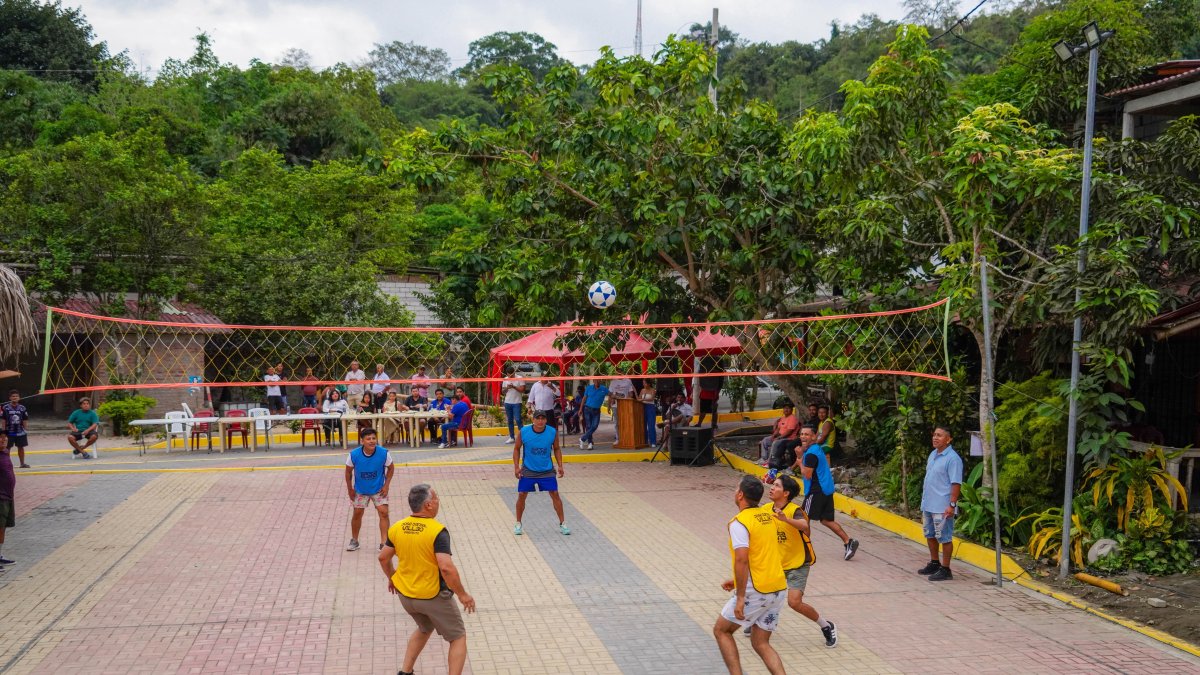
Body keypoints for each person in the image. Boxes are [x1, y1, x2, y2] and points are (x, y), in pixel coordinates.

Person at [379, 484, 475, 675]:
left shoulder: (398, 527)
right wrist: (463, 595)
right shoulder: (437, 531)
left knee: (424, 627)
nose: (439, 502)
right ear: (429, 505)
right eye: (437, 498)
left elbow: (383, 557)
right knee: (457, 637)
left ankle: (405, 672)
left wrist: (393, 578)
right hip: (433, 596)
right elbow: (446, 568)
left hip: (406, 596)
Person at [713, 475, 788, 675]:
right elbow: (762, 553)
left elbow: (742, 559)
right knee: (761, 642)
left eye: (736, 488)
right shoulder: (768, 517)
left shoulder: (740, 523)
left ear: (740, 495)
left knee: (722, 631)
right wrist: (737, 579)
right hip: (778, 588)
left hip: (756, 590)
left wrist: (740, 597)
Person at [765, 474, 837, 647]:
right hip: (777, 563)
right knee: (764, 595)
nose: (772, 488)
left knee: (794, 602)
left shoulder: (795, 510)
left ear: (786, 493)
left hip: (798, 563)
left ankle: (826, 626)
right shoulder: (766, 509)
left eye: (776, 486)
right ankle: (759, 624)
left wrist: (785, 520)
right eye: (772, 485)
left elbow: (805, 527)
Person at [792, 426, 860, 561]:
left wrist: (799, 459)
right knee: (826, 520)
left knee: (804, 519)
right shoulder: (816, 449)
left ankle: (805, 551)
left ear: (813, 437)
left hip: (816, 491)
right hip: (826, 489)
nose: (803, 436)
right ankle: (848, 542)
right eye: (802, 434)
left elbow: (807, 474)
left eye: (807, 434)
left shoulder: (811, 454)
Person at [512, 410, 569, 536]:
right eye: (538, 418)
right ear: (533, 419)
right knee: (522, 494)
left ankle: (563, 523)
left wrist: (560, 465)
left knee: (555, 493)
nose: (540, 421)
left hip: (547, 469)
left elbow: (557, 449)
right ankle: (518, 523)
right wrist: (516, 467)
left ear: (546, 420)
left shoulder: (552, 432)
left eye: (543, 418)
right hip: (528, 469)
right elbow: (516, 449)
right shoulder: (524, 432)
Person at [919, 427, 962, 582]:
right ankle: (934, 562)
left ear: (948, 439)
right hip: (929, 503)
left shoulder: (953, 458)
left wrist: (951, 504)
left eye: (939, 435)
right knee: (929, 534)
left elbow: (956, 483)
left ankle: (946, 569)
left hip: (942, 506)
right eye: (934, 435)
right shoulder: (933, 454)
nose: (935, 438)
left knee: (944, 537)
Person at [344, 428, 394, 552]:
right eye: (368, 439)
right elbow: (348, 472)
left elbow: (391, 468)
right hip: (360, 490)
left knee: (384, 512)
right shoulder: (353, 455)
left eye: (373, 438)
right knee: (357, 513)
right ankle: (354, 540)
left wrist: (386, 485)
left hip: (378, 489)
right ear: (362, 441)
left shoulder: (384, 453)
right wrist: (350, 489)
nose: (372, 441)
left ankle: (384, 542)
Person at [579, 379, 609, 451]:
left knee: (595, 426)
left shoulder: (604, 389)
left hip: (596, 410)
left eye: (599, 380)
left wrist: (617, 397)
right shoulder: (589, 388)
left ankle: (582, 439)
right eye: (596, 380)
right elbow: (584, 398)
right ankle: (590, 443)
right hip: (587, 409)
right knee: (589, 426)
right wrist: (580, 409)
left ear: (601, 381)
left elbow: (611, 394)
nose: (597, 382)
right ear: (593, 381)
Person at [2, 390, 30, 469]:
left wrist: (25, 430)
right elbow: (3, 420)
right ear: (10, 398)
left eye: (16, 396)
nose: (15, 397)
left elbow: (25, 419)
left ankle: (22, 463)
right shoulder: (5, 407)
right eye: (13, 396)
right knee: (7, 448)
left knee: (21, 447)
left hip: (20, 432)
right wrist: (3, 432)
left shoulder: (22, 408)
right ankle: (6, 465)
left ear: (19, 398)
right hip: (9, 432)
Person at [0, 434, 15, 569]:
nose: (3, 440)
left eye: (4, 438)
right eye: (0, 438)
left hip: (8, 496)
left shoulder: (5, 453)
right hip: (1, 497)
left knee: (3, 527)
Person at [608, 374, 635, 443]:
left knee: (626, 422)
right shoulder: (613, 381)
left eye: (620, 372)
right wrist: (609, 405)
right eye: (617, 372)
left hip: (625, 405)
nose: (618, 374)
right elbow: (610, 394)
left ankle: (626, 437)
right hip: (615, 405)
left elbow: (631, 393)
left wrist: (628, 398)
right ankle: (618, 438)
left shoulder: (628, 380)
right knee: (617, 423)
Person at [501, 367, 525, 444]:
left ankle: (523, 437)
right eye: (508, 375)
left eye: (511, 375)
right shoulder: (505, 379)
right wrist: (507, 388)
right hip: (507, 402)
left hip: (517, 402)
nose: (510, 377)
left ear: (514, 372)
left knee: (518, 419)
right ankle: (512, 437)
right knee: (510, 420)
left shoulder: (520, 378)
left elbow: (522, 390)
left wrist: (514, 387)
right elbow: (503, 391)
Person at [639, 380, 658, 447]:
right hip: (643, 407)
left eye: (645, 383)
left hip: (650, 407)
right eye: (643, 383)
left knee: (651, 425)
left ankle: (653, 442)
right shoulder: (642, 390)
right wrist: (641, 400)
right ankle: (645, 441)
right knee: (643, 425)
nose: (644, 384)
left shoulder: (653, 390)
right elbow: (639, 398)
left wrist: (643, 400)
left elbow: (652, 398)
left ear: (649, 384)